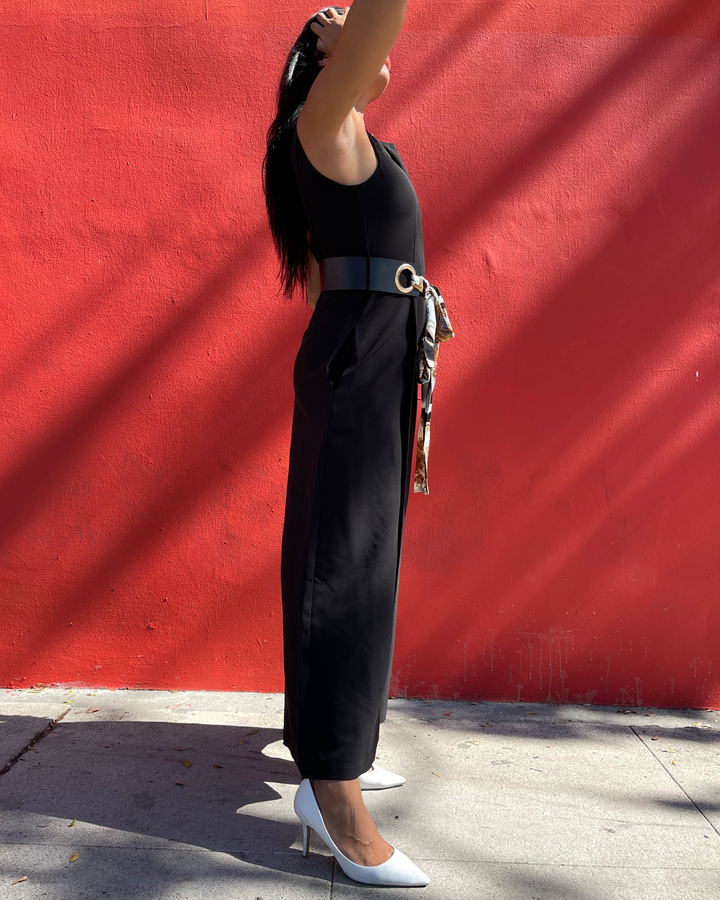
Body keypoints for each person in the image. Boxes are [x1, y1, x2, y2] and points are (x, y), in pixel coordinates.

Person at [263, 1, 438, 887]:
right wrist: (344, 36)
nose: (344, 16)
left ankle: (338, 743)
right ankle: (332, 792)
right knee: (342, 560)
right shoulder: (321, 120)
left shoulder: (360, 134)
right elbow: (382, 22)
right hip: (357, 357)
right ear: (323, 57)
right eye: (328, 18)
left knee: (364, 557)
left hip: (376, 356)